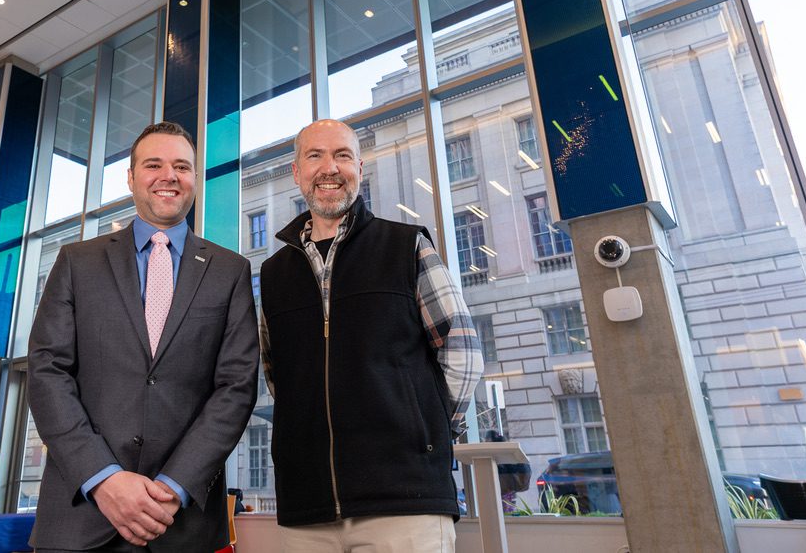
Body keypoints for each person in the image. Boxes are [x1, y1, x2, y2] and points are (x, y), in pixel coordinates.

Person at [27, 121, 259, 552]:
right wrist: (104, 479)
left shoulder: (231, 271)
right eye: (154, 165)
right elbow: (47, 372)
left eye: (182, 166)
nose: (169, 176)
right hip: (81, 518)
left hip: (181, 523)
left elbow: (236, 387)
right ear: (131, 177)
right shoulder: (77, 262)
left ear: (195, 178)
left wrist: (174, 485)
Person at [260, 119, 484, 552]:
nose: (330, 168)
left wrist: (429, 431)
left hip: (405, 505)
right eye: (315, 156)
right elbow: (277, 374)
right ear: (297, 172)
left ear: (359, 169)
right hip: (307, 509)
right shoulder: (273, 274)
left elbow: (461, 350)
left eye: (342, 155)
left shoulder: (406, 245)